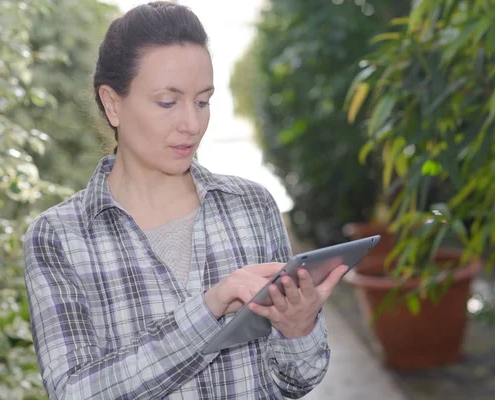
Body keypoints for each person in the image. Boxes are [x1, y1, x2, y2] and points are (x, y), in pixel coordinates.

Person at [23, 2, 348, 399]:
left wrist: (300, 329)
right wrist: (209, 309)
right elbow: (75, 392)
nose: (192, 125)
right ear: (112, 103)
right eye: (167, 102)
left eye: (202, 101)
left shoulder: (251, 206)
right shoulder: (59, 237)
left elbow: (296, 381)